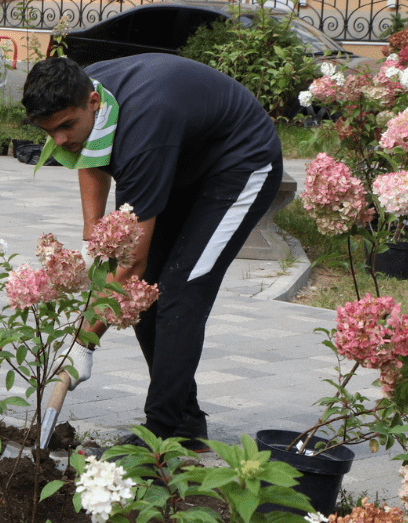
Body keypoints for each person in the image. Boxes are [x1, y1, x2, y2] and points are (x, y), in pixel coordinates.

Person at [22, 55, 283, 452]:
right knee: (143, 294)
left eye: (65, 127)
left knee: (180, 288)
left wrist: (82, 342)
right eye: (48, 131)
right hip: (179, 161)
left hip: (240, 162)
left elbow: (131, 262)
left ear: (93, 102)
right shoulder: (81, 95)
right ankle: (186, 422)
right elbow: (88, 152)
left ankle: (163, 435)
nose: (58, 141)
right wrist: (93, 237)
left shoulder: (143, 131)